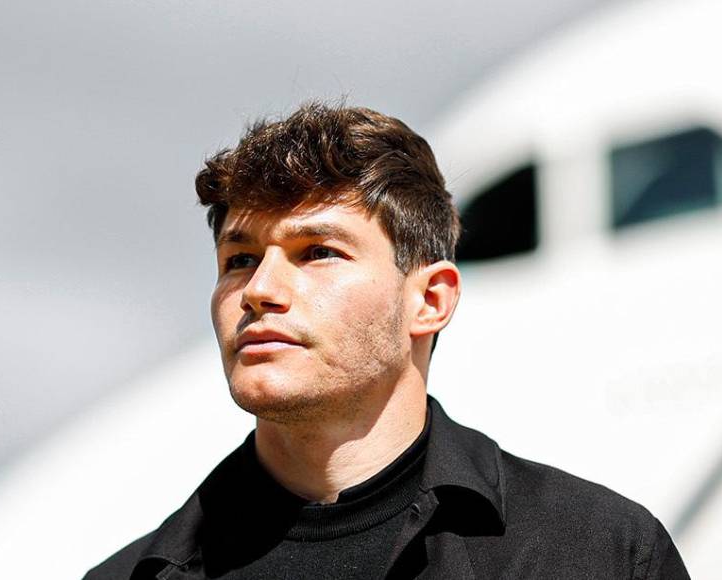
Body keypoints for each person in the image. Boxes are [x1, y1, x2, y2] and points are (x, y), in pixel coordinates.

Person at [85, 103, 690, 579]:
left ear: (429, 301)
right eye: (239, 260)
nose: (260, 290)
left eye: (317, 252)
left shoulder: (597, 554)